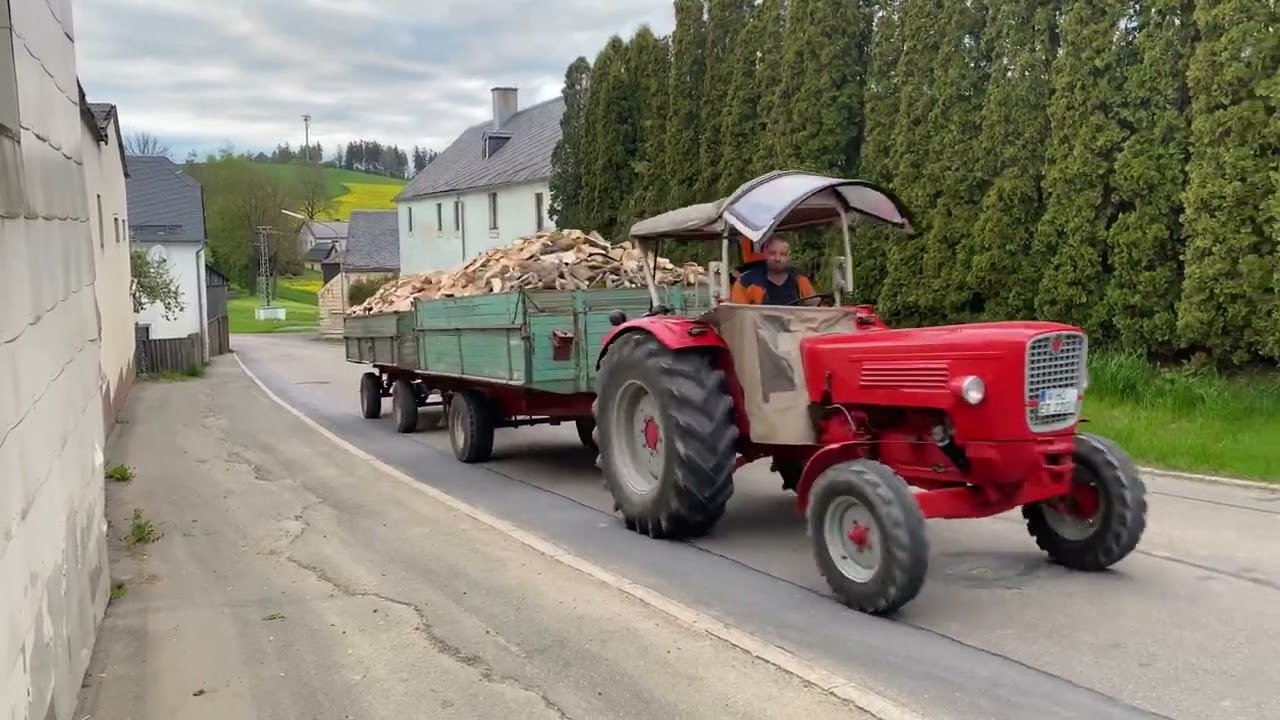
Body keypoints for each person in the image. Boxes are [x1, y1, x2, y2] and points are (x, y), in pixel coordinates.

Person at [729, 235, 816, 305]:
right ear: (765, 254)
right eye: (772, 253)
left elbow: (816, 307)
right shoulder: (745, 282)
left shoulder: (799, 279)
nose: (777, 258)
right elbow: (738, 316)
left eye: (783, 254)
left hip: (795, 326)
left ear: (788, 257)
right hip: (760, 326)